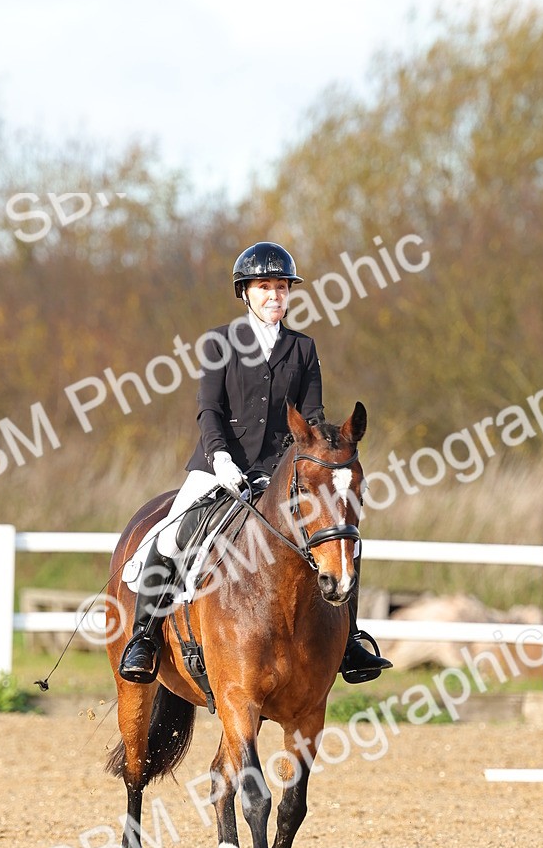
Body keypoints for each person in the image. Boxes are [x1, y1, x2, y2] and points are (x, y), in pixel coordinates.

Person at [118, 240, 392, 684]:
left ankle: (349, 641)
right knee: (170, 537)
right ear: (245, 292)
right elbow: (208, 409)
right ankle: (144, 637)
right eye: (264, 287)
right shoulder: (220, 343)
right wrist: (221, 457)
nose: (274, 296)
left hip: (280, 473)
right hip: (217, 466)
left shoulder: (303, 349)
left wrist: (299, 464)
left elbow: (312, 419)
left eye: (282, 287)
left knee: (344, 540)